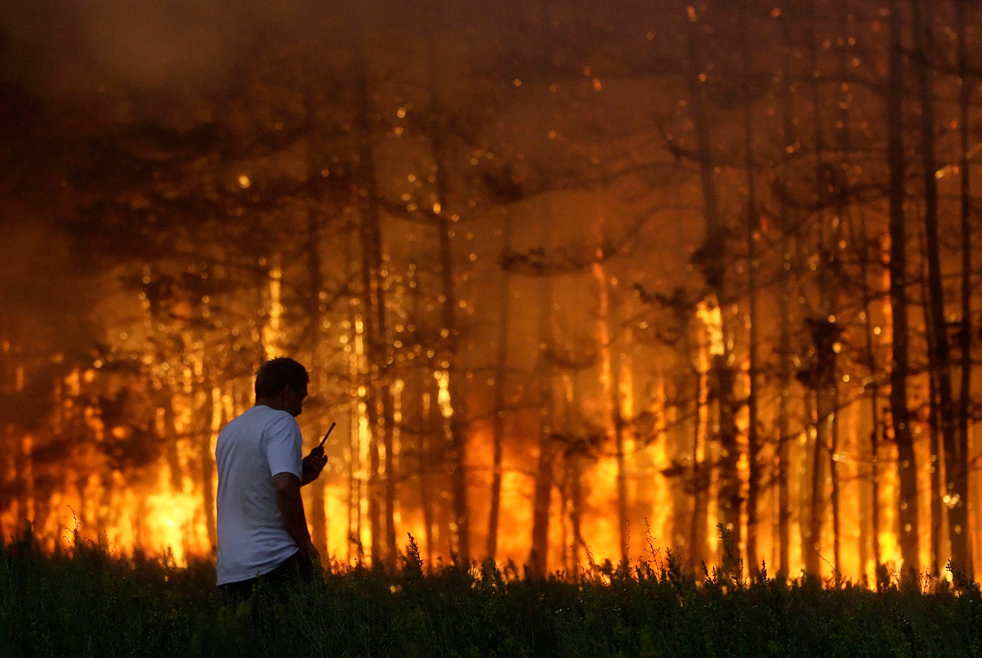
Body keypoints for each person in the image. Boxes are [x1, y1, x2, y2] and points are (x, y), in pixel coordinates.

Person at [215, 357, 328, 603]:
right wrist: (305, 543)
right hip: (274, 563)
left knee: (251, 641)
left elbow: (256, 487)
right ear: (287, 391)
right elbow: (284, 487)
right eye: (302, 397)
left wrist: (301, 474)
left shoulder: (230, 431)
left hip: (231, 571)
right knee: (305, 636)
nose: (301, 406)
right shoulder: (281, 422)